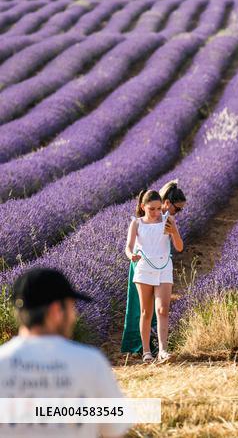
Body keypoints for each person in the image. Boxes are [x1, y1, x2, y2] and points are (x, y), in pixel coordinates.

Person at [0, 268, 130, 437]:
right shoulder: (89, 362)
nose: (74, 316)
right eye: (72, 307)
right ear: (56, 311)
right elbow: (114, 428)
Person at [121, 181, 186, 355]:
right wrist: (131, 256)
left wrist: (174, 231)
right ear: (143, 207)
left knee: (163, 310)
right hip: (144, 270)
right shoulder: (136, 223)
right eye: (152, 209)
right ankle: (147, 352)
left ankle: (163, 350)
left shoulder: (168, 220)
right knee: (145, 312)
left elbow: (179, 247)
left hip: (164, 268)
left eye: (159, 208)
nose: (157, 212)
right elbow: (128, 247)